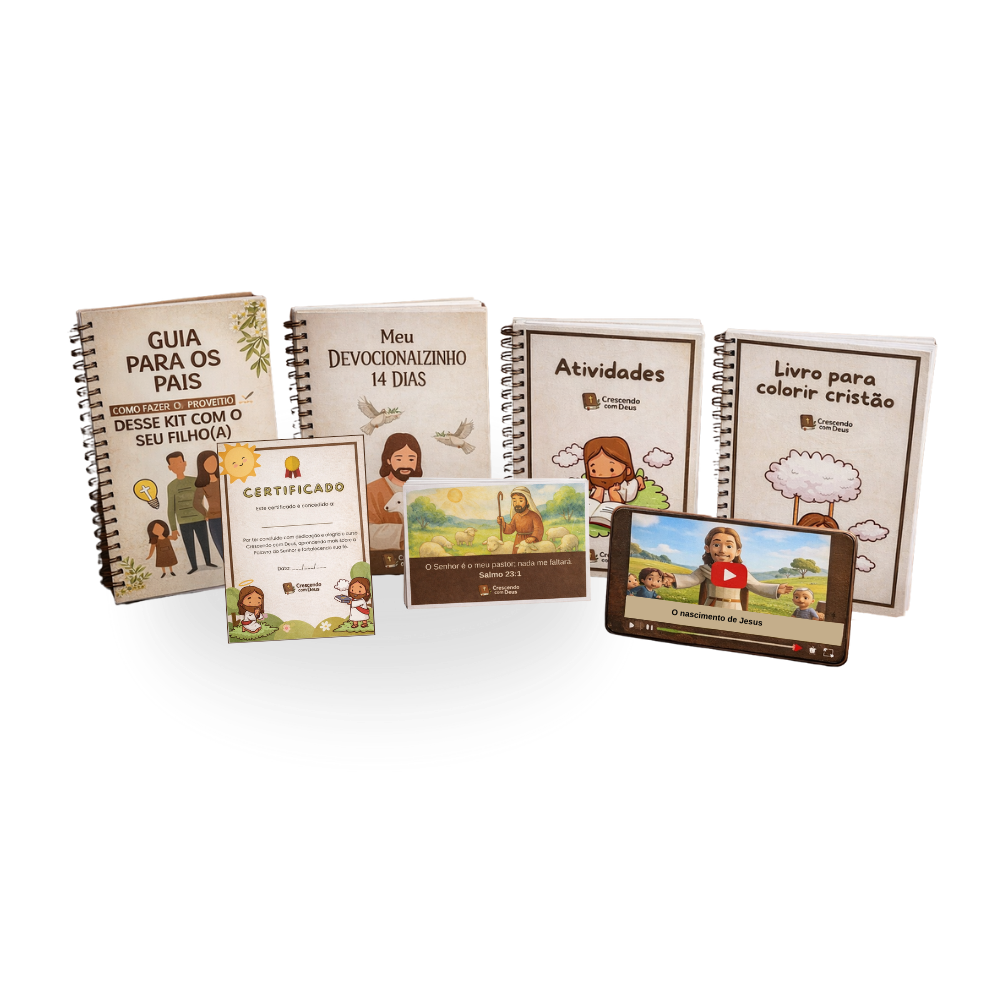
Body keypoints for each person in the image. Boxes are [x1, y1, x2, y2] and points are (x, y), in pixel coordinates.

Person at [662, 526, 793, 610]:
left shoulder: (740, 571)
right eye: (716, 545)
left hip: (734, 609)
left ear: (737, 551)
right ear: (707, 548)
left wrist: (776, 589)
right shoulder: (705, 569)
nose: (722, 550)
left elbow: (756, 585)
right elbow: (691, 579)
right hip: (712, 607)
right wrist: (674, 578)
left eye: (729, 546)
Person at [366, 434, 422, 552]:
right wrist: (404, 532)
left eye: (411, 459)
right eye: (399, 459)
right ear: (388, 460)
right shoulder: (371, 490)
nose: (405, 465)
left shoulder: (424, 490)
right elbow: (364, 532)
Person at [165, 451, 217, 575]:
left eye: (179, 462)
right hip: (183, 521)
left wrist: (206, 513)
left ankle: (208, 561)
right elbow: (171, 508)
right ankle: (194, 566)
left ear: (185, 463)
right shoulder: (171, 486)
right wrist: (173, 528)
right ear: (170, 468)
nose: (178, 466)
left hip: (200, 518)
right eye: (174, 464)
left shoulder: (195, 481)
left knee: (204, 542)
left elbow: (202, 499)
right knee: (189, 545)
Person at [584, 437, 645, 503]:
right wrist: (599, 492)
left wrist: (613, 492)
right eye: (594, 471)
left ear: (627, 470)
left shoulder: (626, 488)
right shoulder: (596, 487)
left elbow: (620, 507)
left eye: (612, 470)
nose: (601, 475)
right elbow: (593, 505)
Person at [193, 451, 224, 560]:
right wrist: (205, 513)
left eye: (214, 462)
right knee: (222, 550)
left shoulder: (224, 479)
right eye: (208, 463)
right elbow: (196, 503)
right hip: (214, 520)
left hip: (230, 517)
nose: (212, 465)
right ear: (202, 466)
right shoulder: (202, 484)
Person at [497, 488, 544, 554]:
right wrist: (503, 523)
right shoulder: (516, 516)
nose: (517, 504)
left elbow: (538, 529)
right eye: (514, 501)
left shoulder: (534, 515)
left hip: (530, 542)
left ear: (527, 502)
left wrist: (533, 537)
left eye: (521, 500)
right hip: (518, 541)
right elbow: (511, 528)